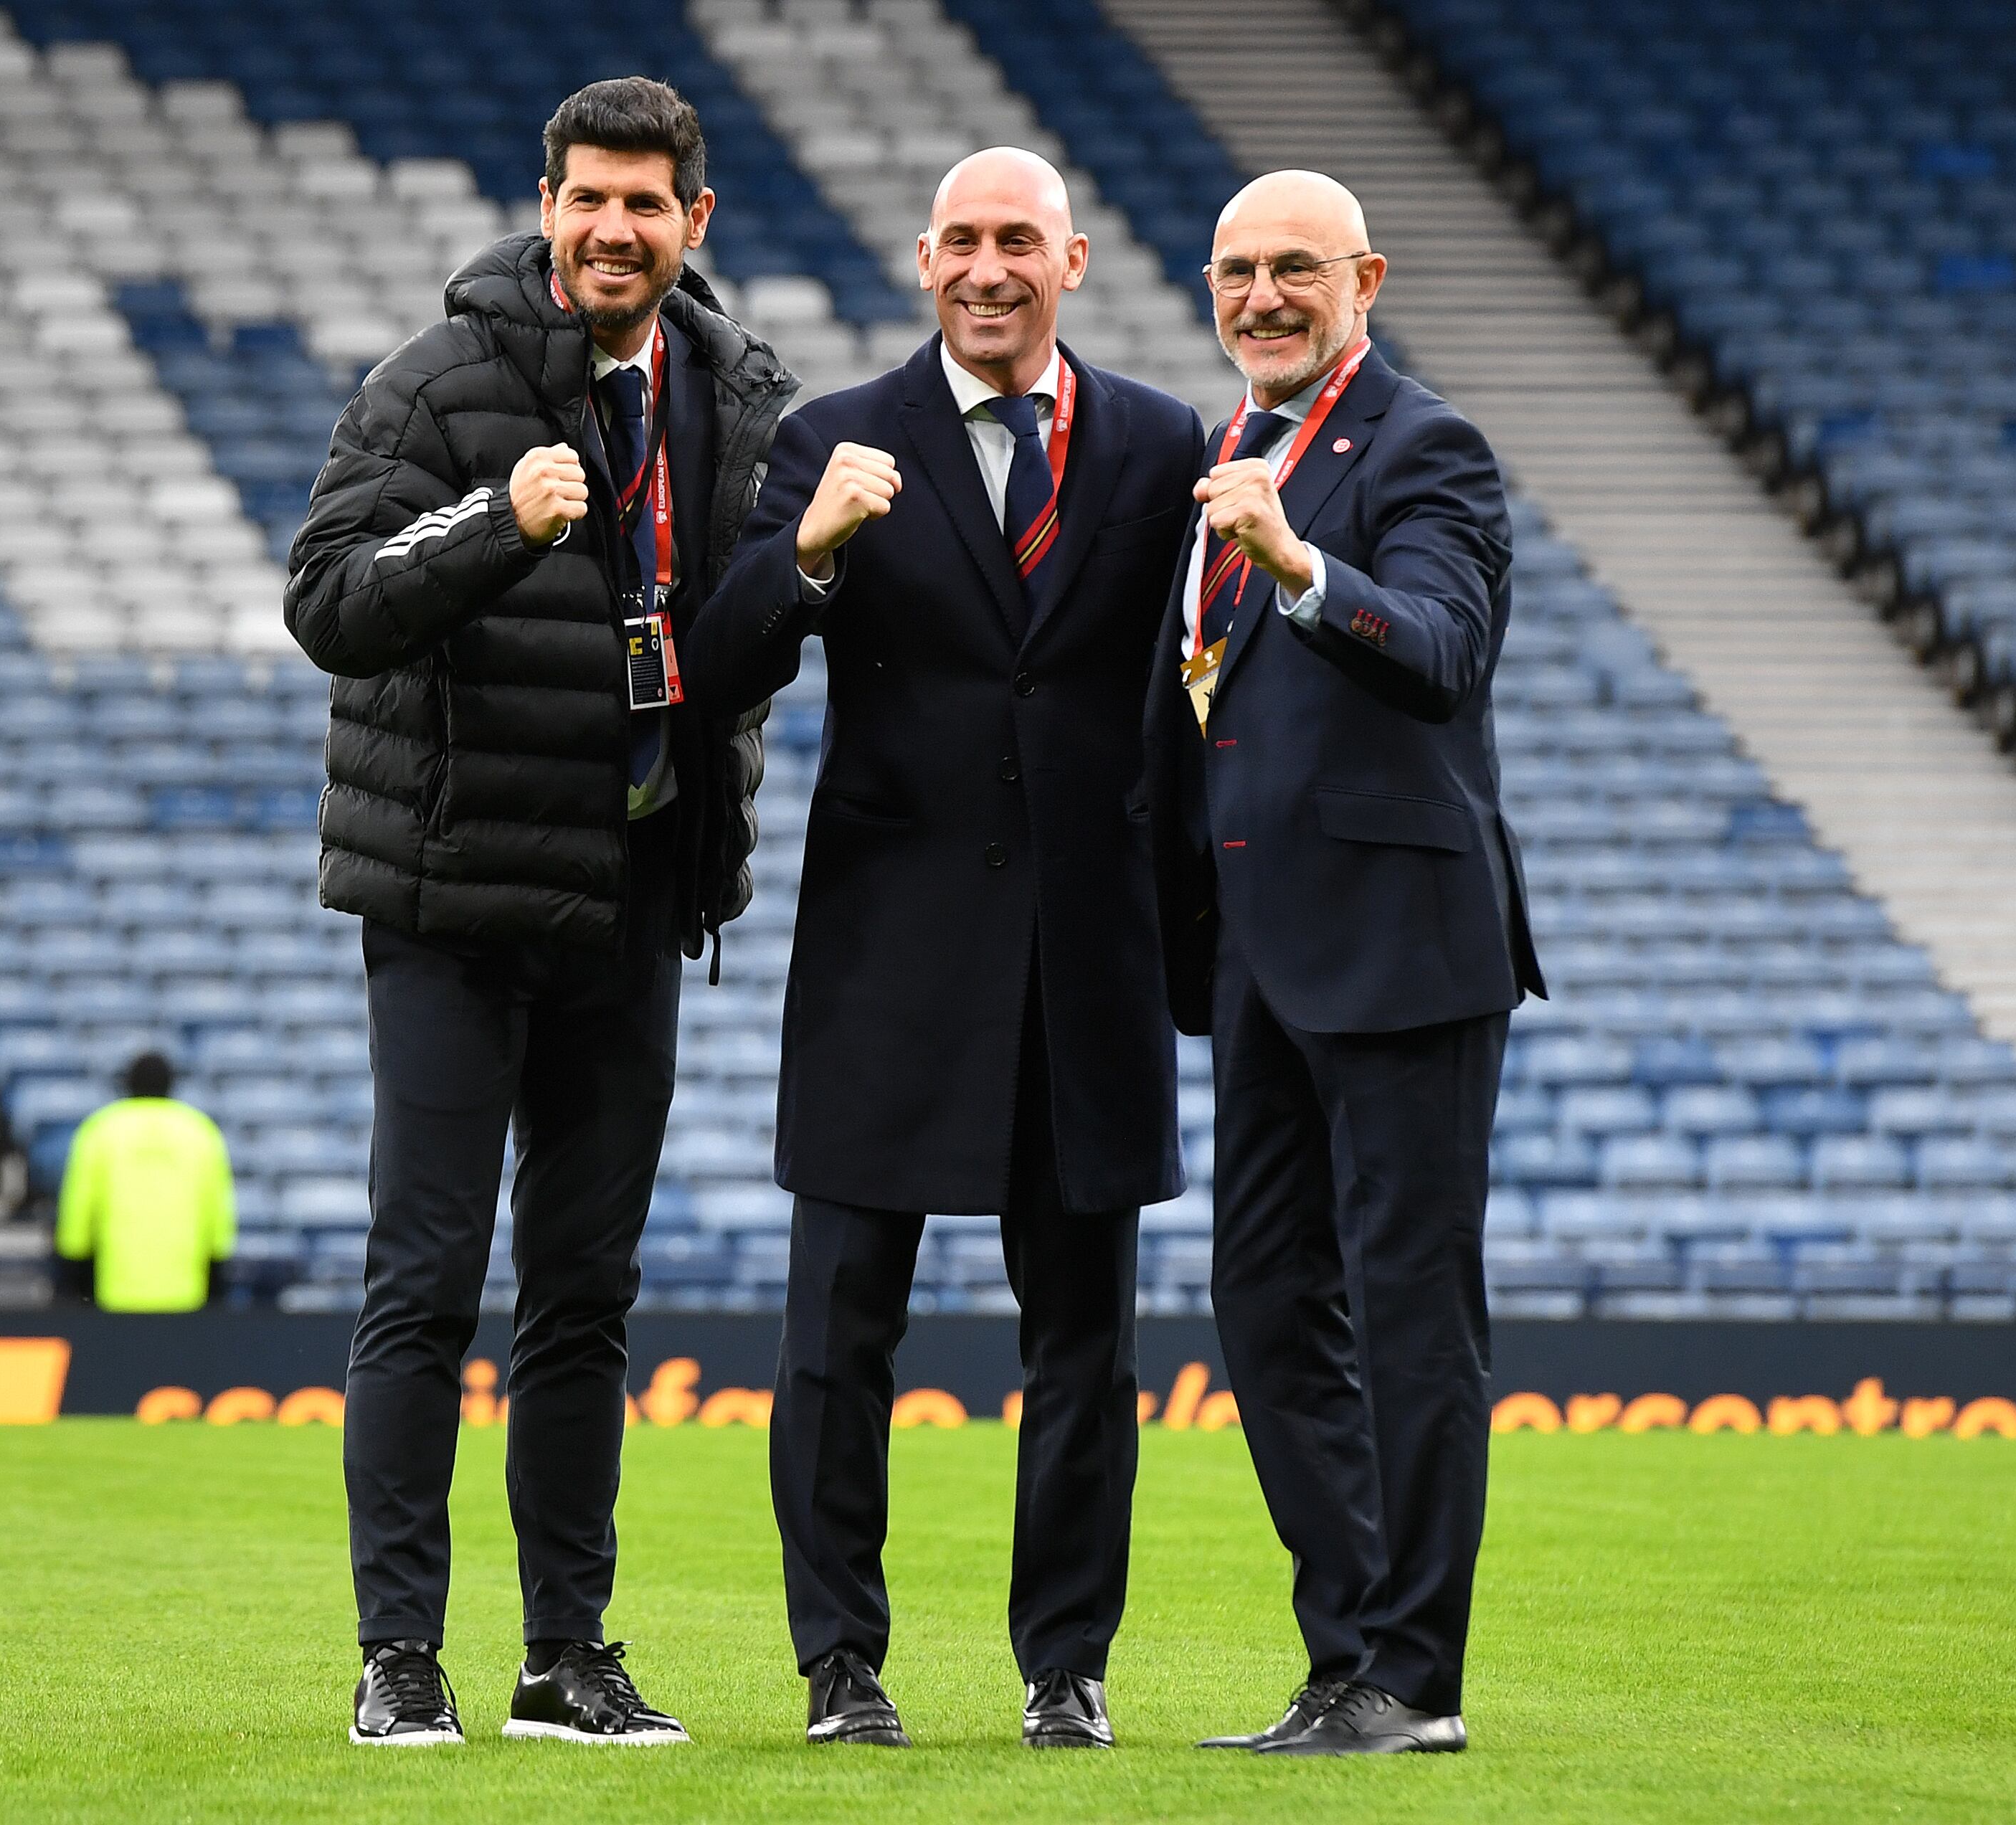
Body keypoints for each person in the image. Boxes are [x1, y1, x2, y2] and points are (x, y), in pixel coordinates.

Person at [283, 77, 796, 1749]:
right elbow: (331, 606)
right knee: (424, 1274)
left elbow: (741, 628)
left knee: (587, 1287)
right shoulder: (438, 382)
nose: (613, 229)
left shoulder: (737, 390)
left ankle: (566, 1656)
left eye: (646, 204)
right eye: (588, 199)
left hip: (634, 887)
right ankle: (398, 1657)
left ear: (691, 223)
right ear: (546, 203)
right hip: (448, 892)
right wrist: (495, 524)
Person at [683, 148, 1202, 1754]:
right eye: (964, 241)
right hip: (887, 960)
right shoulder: (834, 438)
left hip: (1087, 966)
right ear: (923, 261)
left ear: (1074, 260)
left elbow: (1171, 713)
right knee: (837, 1333)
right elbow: (713, 666)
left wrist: (1192, 937)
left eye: (1019, 243)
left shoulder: (1160, 439)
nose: (990, 268)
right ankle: (841, 1663)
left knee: (1086, 1348)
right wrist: (812, 546)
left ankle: (1067, 1666)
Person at [1143, 171, 1547, 1757]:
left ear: (1363, 278)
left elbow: (1444, 657)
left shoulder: (1423, 447)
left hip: (1403, 947)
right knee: (1261, 1299)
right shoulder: (1222, 448)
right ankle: (1346, 1655)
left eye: (1294, 269)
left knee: (1409, 1313)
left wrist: (1303, 563)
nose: (1261, 297)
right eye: (1237, 270)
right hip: (1255, 957)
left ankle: (1416, 1679)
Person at [52, 1051, 236, 1313]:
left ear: (127, 1084)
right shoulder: (200, 1131)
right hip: (185, 1290)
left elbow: (77, 1208)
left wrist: (72, 1265)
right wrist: (219, 1261)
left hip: (115, 1289)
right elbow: (219, 1212)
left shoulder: (101, 1128)